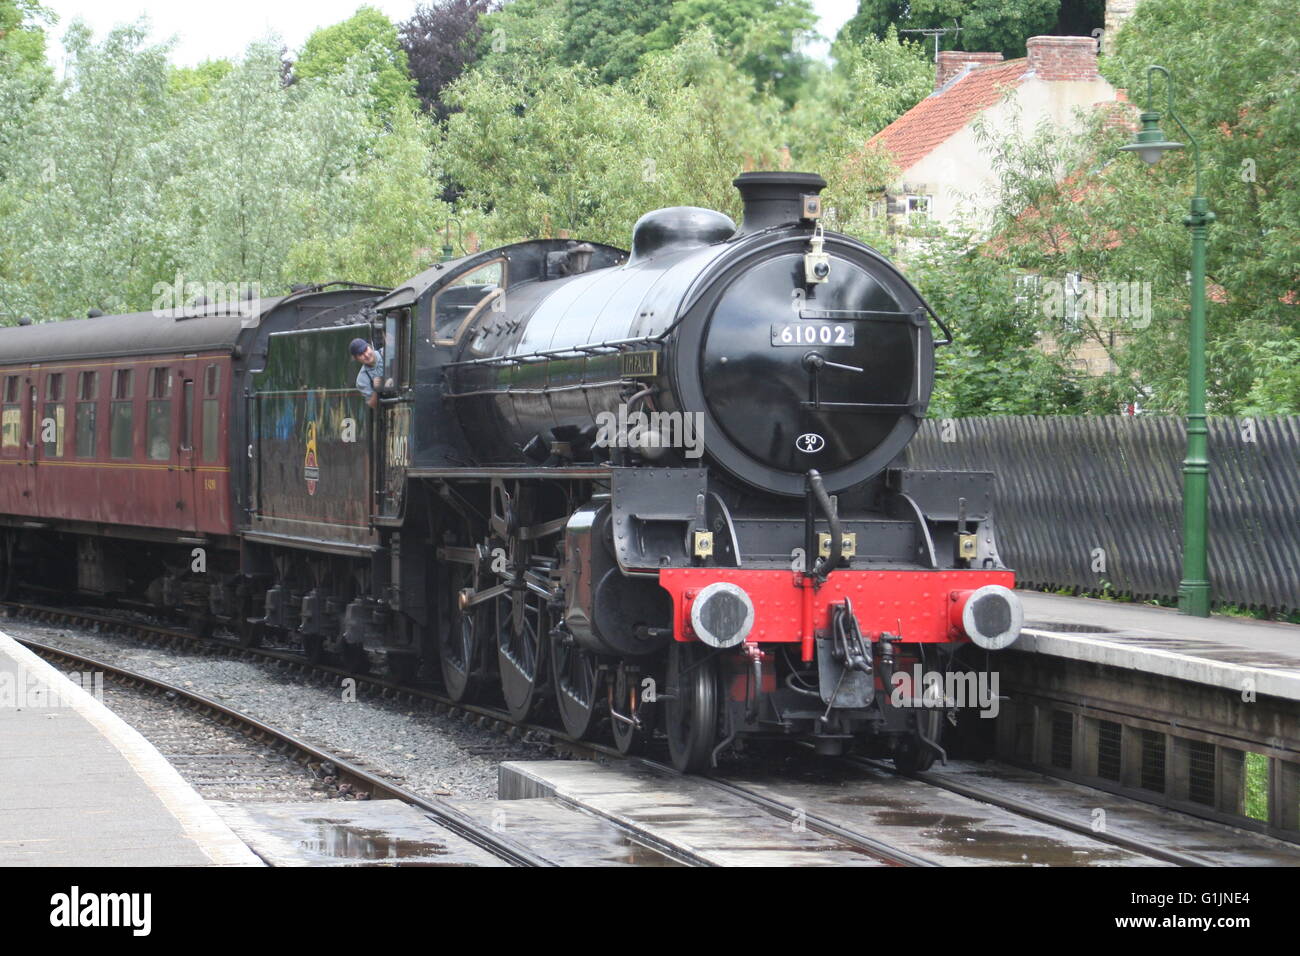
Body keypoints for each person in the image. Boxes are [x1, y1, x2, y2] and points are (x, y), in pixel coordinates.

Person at [350, 337, 384, 408]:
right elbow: (373, 405)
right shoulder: (361, 380)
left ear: (370, 347)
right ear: (356, 359)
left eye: (365, 350)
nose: (366, 355)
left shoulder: (387, 353)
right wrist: (376, 389)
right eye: (361, 354)